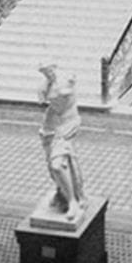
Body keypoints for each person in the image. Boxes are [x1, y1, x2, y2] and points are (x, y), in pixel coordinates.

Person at [38, 64, 85, 220]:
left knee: (57, 165)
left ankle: (73, 201)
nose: (48, 73)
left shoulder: (65, 81)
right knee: (53, 166)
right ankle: (63, 193)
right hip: (51, 124)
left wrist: (54, 84)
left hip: (67, 124)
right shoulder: (46, 83)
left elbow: (64, 92)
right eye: (44, 72)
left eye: (49, 69)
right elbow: (43, 99)